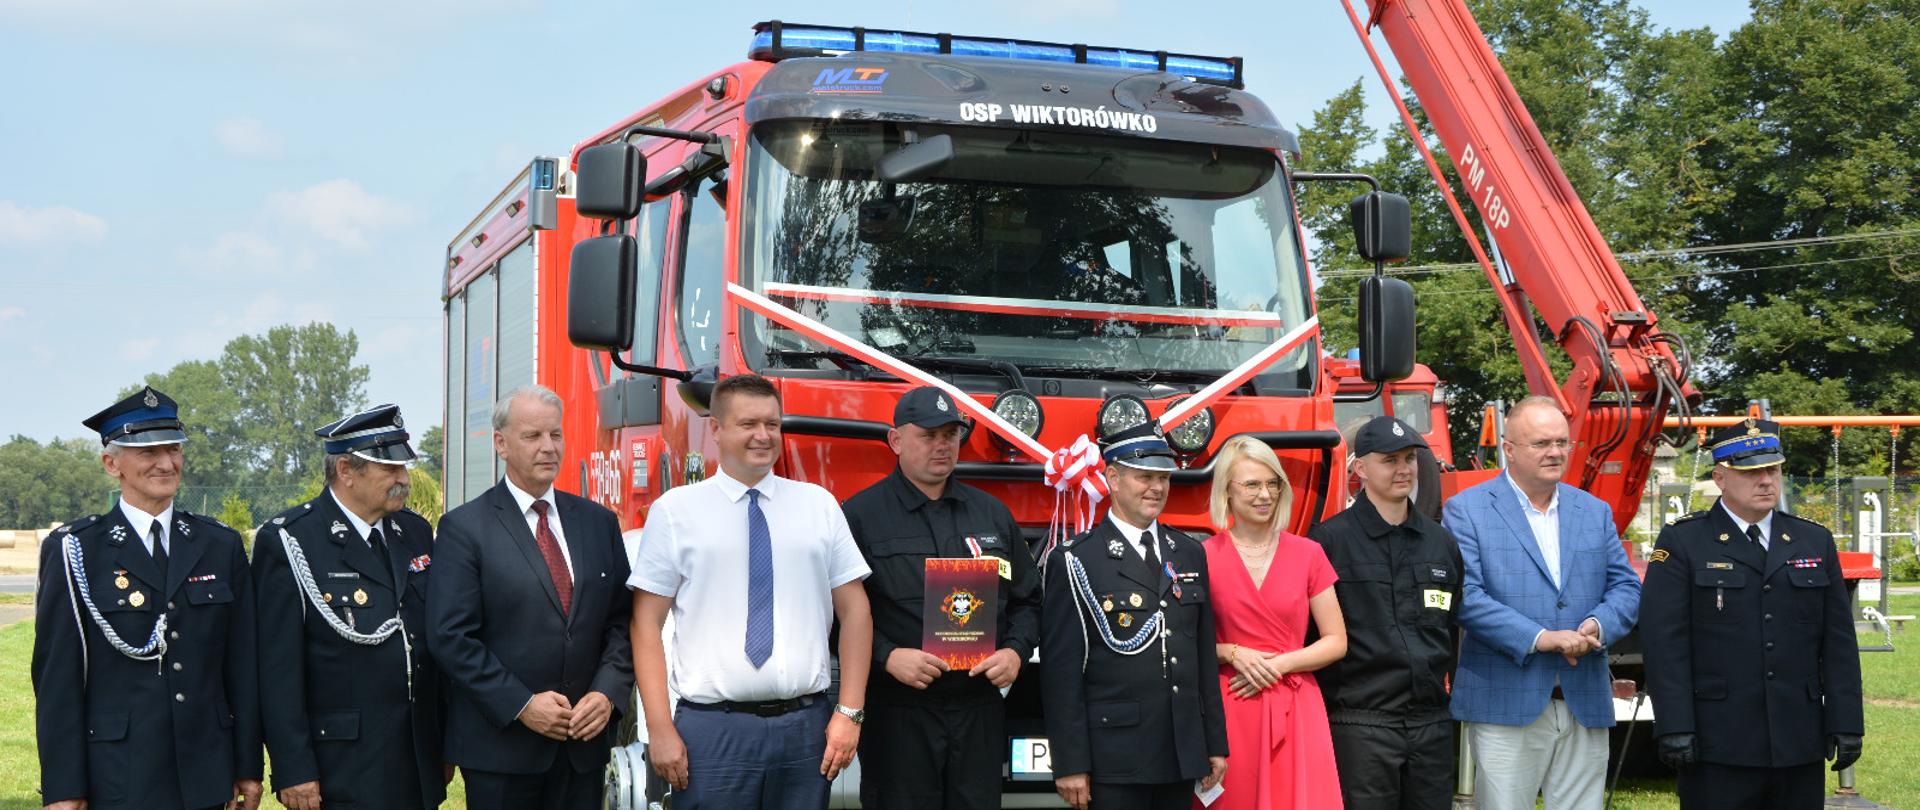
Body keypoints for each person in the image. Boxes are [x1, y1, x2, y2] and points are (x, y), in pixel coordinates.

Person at [630, 373, 874, 810]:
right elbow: (646, 624)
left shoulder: (819, 506)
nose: (763, 436)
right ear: (717, 429)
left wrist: (849, 712)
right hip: (712, 732)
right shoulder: (675, 512)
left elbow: (856, 613)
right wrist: (660, 728)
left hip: (805, 729)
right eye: (748, 424)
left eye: (773, 424)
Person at [32, 386, 264, 810]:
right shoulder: (77, 549)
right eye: (148, 452)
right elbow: (57, 680)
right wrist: (64, 788)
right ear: (111, 464)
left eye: (173, 449)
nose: (166, 463)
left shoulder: (220, 544)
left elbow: (242, 666)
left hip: (207, 774)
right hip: (119, 776)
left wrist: (247, 766)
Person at [428, 385, 634, 810]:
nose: (548, 447)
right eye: (532, 436)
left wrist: (607, 693)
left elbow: (621, 621)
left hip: (583, 749)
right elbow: (451, 637)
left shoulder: (599, 523)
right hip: (502, 753)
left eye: (555, 435)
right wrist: (521, 704)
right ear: (501, 443)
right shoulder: (464, 529)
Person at [1640, 419, 1863, 809]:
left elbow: (1839, 642)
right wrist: (1675, 726)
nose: (1765, 481)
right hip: (1719, 741)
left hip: (1798, 738)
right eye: (1751, 471)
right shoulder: (1684, 541)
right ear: (1721, 477)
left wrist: (1846, 723)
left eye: (1772, 469)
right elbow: (1665, 644)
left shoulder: (1813, 540)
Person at [841, 386, 1042, 810]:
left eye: (950, 435)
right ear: (896, 440)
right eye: (928, 435)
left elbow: (1030, 602)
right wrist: (888, 657)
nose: (942, 446)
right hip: (899, 713)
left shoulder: (992, 514)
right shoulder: (858, 516)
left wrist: (1015, 652)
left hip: (978, 711)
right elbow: (831, 617)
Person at [1444, 396, 1641, 810]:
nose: (1555, 452)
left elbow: (1626, 587)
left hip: (1583, 696)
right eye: (1540, 443)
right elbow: (1466, 596)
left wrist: (1596, 626)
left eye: (1562, 442)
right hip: (1504, 699)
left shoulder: (1594, 511)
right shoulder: (1467, 511)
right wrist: (1541, 637)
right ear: (1509, 448)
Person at [253, 404, 444, 810]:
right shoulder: (292, 539)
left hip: (415, 756)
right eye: (389, 470)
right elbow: (277, 669)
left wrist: (442, 744)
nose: (403, 480)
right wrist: (293, 766)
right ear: (346, 471)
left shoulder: (413, 531)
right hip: (341, 763)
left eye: (404, 469)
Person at [1041, 420, 1229, 810]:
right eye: (1144, 476)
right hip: (1115, 757)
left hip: (1180, 750)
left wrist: (1214, 743)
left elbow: (1202, 658)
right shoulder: (1077, 558)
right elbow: (1062, 674)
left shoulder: (1189, 552)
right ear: (1112, 477)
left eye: (1163, 478)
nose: (1157, 488)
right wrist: (1071, 763)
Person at [1310, 416, 1465, 810]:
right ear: (1360, 469)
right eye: (1390, 460)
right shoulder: (1329, 542)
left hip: (1430, 724)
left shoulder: (1440, 543)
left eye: (1410, 458)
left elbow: (1451, 629)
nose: (1404, 469)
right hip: (1361, 726)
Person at [1202, 436, 1346, 810]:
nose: (1264, 494)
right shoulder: (1201, 557)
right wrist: (1232, 653)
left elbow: (1335, 640)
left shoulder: (1309, 553)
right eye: (1251, 484)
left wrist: (1277, 665)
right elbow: (1184, 643)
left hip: (1297, 703)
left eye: (1272, 483)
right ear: (1227, 492)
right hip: (1231, 703)